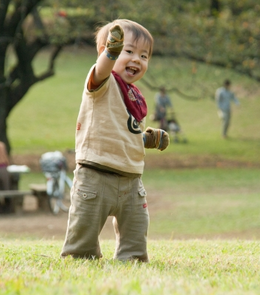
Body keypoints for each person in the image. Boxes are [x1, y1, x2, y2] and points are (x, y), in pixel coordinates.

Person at [60, 19, 170, 262]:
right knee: (81, 248)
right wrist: (112, 52)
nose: (136, 59)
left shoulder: (133, 95)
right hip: (95, 177)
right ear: (105, 52)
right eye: (127, 51)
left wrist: (146, 139)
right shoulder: (102, 82)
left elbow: (122, 132)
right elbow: (102, 68)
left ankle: (130, 260)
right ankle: (81, 257)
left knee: (135, 243)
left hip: (131, 180)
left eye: (144, 55)